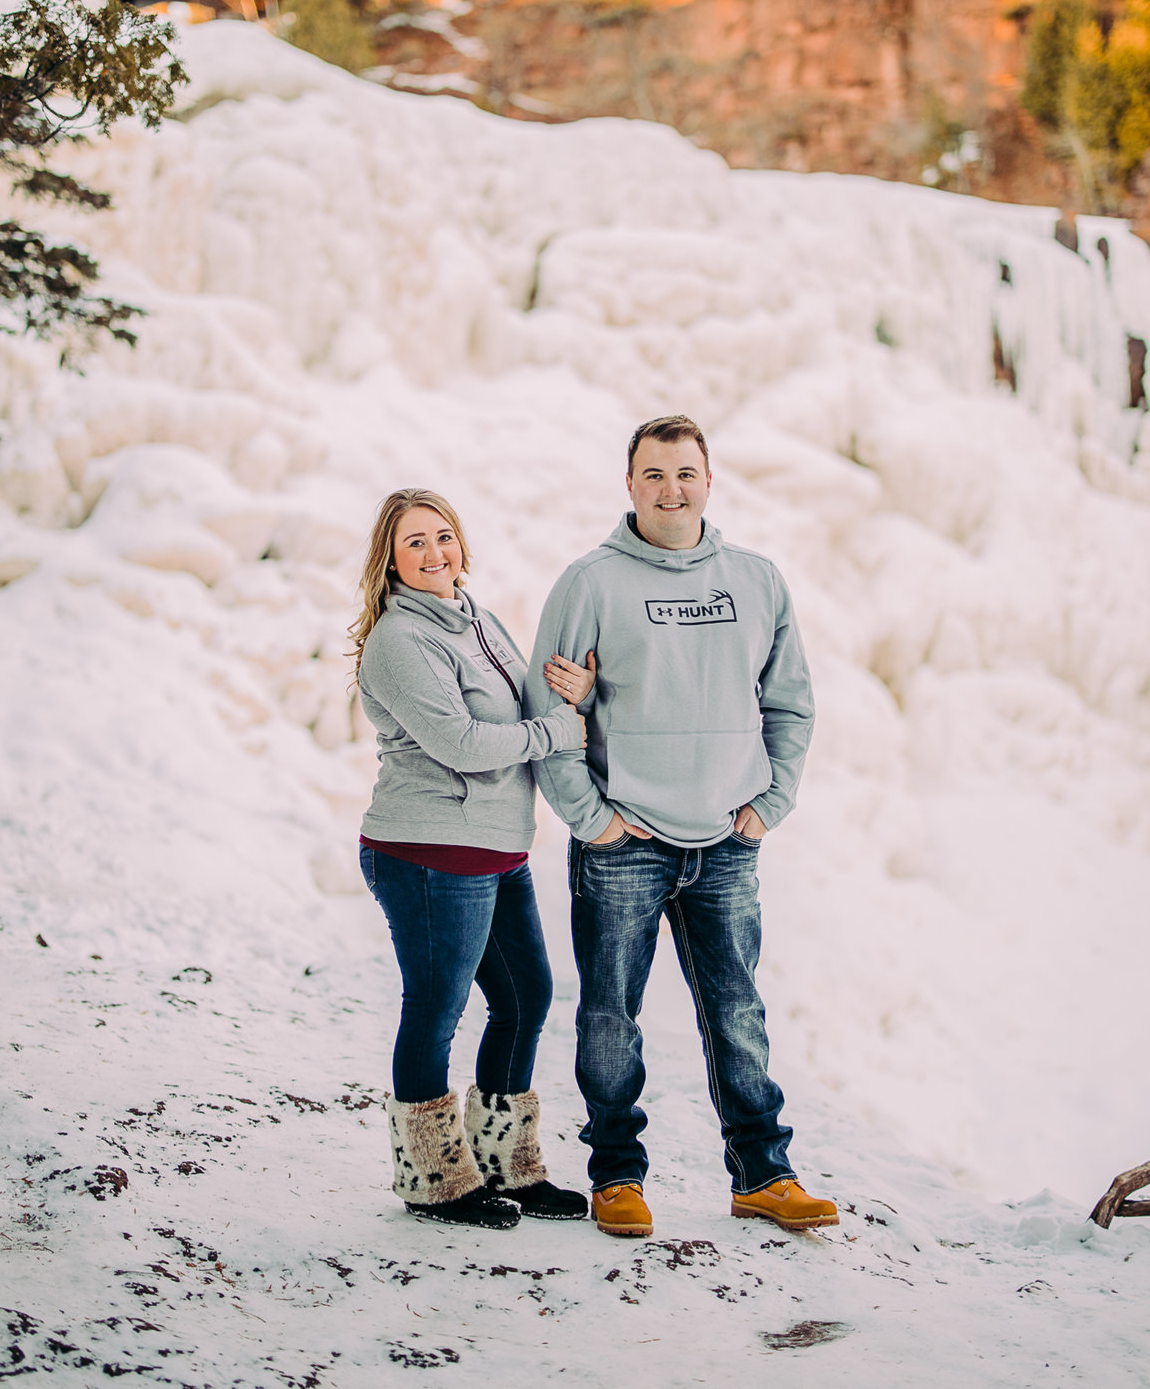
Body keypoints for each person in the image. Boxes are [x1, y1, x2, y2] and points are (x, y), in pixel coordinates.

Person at [526, 414, 830, 1239]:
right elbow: (545, 710)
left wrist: (770, 803)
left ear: (709, 479)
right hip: (626, 845)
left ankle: (764, 1173)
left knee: (737, 1010)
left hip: (726, 843)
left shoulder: (757, 579)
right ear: (630, 485)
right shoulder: (589, 583)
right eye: (655, 474)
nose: (672, 489)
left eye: (686, 472)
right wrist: (591, 821)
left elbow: (791, 702)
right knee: (609, 1017)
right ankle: (617, 1176)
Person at [350, 488, 594, 1230]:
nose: (434, 553)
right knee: (437, 1007)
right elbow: (459, 742)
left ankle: (507, 1167)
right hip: (427, 850)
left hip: (493, 846)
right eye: (415, 542)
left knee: (526, 995)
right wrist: (558, 734)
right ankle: (433, 1179)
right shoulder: (401, 640)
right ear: (389, 560)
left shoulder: (475, 617)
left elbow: (523, 703)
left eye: (444, 536)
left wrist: (570, 694)